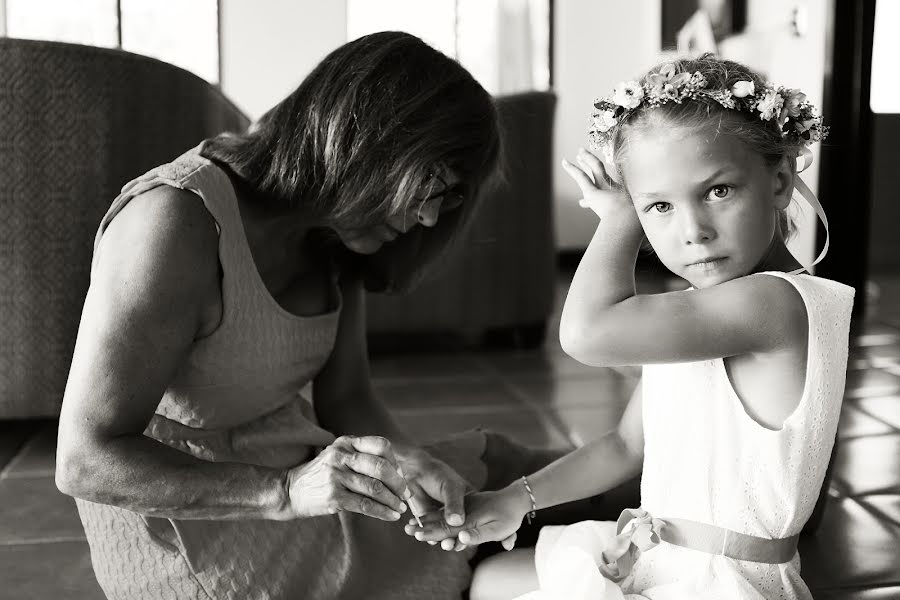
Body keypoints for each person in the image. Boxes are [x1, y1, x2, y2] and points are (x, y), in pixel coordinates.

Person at [55, 31, 547, 600]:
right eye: (430, 183)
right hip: (199, 528)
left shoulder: (335, 233)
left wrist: (409, 460)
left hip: (299, 470)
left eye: (450, 198)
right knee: (499, 513)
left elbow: (348, 401)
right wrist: (286, 491)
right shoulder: (174, 221)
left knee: (499, 471)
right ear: (365, 139)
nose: (431, 218)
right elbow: (84, 461)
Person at [407, 54, 855, 600]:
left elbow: (585, 333)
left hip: (723, 584)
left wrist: (620, 219)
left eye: (719, 191)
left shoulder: (776, 304)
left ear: (780, 180)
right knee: (490, 579)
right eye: (659, 206)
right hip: (660, 556)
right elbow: (623, 446)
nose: (694, 231)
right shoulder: (707, 311)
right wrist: (511, 500)